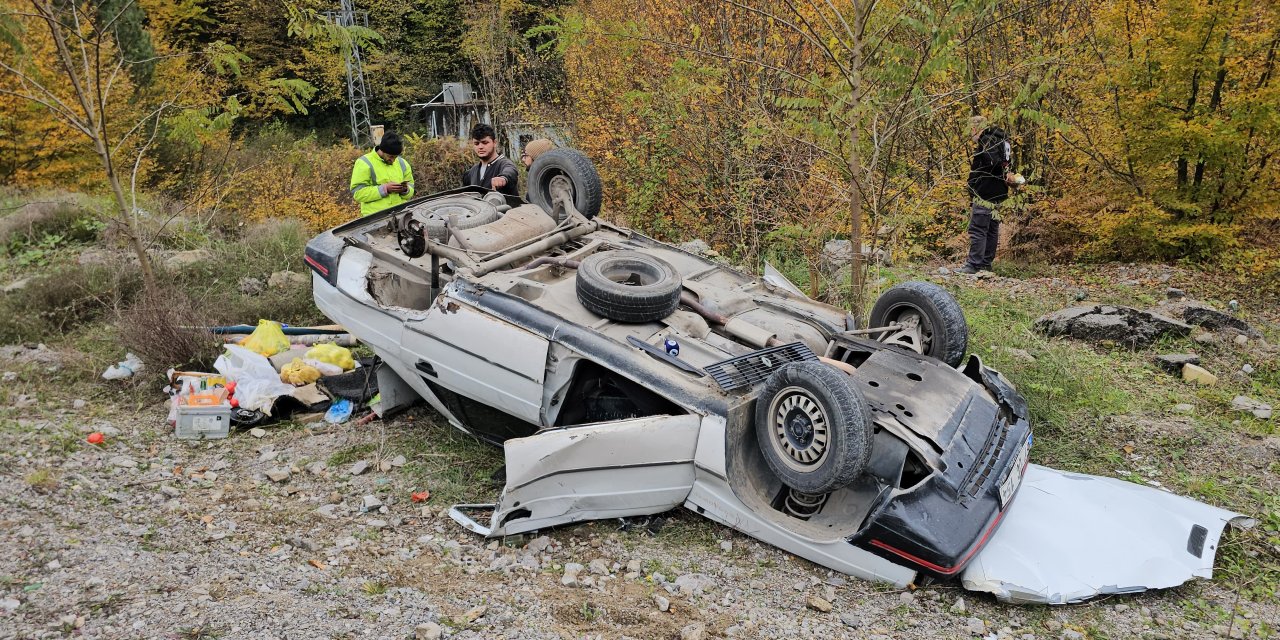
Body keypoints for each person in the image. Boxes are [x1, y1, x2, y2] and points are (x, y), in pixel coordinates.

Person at [959, 115, 1019, 274]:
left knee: (978, 228)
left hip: (985, 191)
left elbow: (991, 161)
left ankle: (974, 265)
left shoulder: (987, 139)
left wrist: (975, 182)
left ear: (975, 128)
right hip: (999, 191)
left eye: (970, 130)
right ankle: (985, 264)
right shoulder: (1002, 140)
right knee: (992, 228)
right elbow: (1006, 164)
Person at [349, 132, 414, 216]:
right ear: (382, 150)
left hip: (401, 215)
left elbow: (411, 187)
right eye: (390, 156)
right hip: (376, 218)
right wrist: (385, 189)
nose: (393, 160)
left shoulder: (403, 163)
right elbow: (358, 193)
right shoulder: (364, 163)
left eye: (396, 157)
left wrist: (405, 190)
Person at [461, 123, 519, 196]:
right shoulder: (471, 172)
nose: (480, 147)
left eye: (485, 143)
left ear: (494, 143)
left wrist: (503, 178)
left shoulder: (504, 164)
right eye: (476, 143)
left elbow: (511, 172)